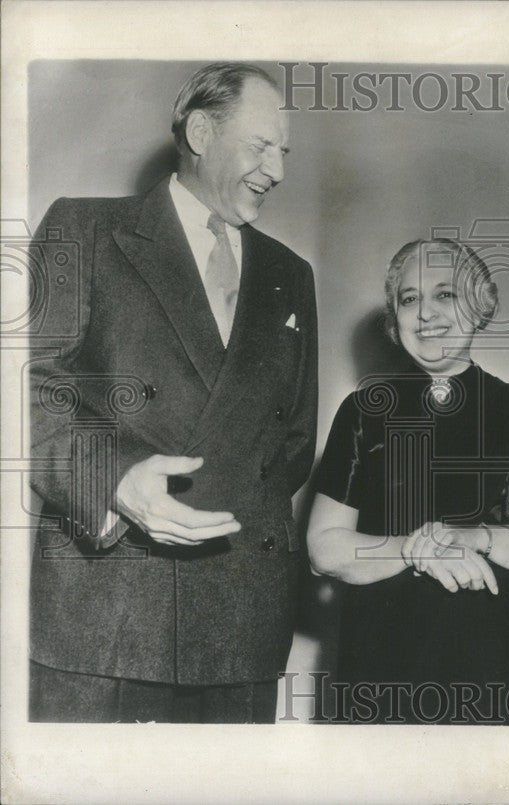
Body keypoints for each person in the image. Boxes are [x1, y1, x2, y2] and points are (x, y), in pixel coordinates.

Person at [29, 63, 318, 723]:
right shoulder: (84, 229)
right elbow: (27, 389)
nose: (277, 169)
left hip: (243, 626)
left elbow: (294, 440)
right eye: (262, 146)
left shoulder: (290, 275)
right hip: (106, 619)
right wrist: (116, 478)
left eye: (285, 152)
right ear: (201, 131)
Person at [307, 238, 509, 724]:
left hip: (496, 669)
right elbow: (325, 548)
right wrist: (416, 548)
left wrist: (474, 537)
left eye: (445, 294)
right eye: (409, 298)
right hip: (380, 669)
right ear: (395, 317)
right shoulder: (364, 412)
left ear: (480, 303)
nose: (425, 313)